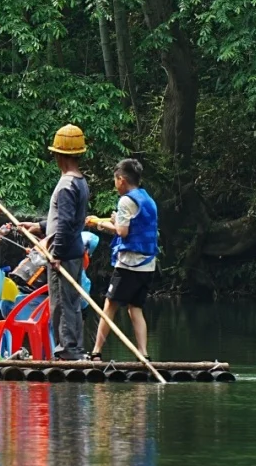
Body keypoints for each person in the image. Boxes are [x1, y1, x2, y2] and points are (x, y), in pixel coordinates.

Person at [25, 124, 89, 360]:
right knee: (71, 303)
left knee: (61, 305)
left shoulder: (65, 185)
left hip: (64, 253)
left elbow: (64, 224)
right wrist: (39, 226)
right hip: (74, 250)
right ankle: (74, 348)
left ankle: (67, 351)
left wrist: (56, 254)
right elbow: (66, 219)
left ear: (59, 155)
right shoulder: (80, 182)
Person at [87, 158, 159, 359]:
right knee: (135, 308)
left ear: (121, 180)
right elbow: (136, 226)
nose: (115, 184)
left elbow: (122, 232)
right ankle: (144, 354)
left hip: (130, 265)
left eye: (115, 180)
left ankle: (96, 352)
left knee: (109, 305)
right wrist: (115, 220)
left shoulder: (126, 200)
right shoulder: (147, 199)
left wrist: (98, 224)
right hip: (148, 265)